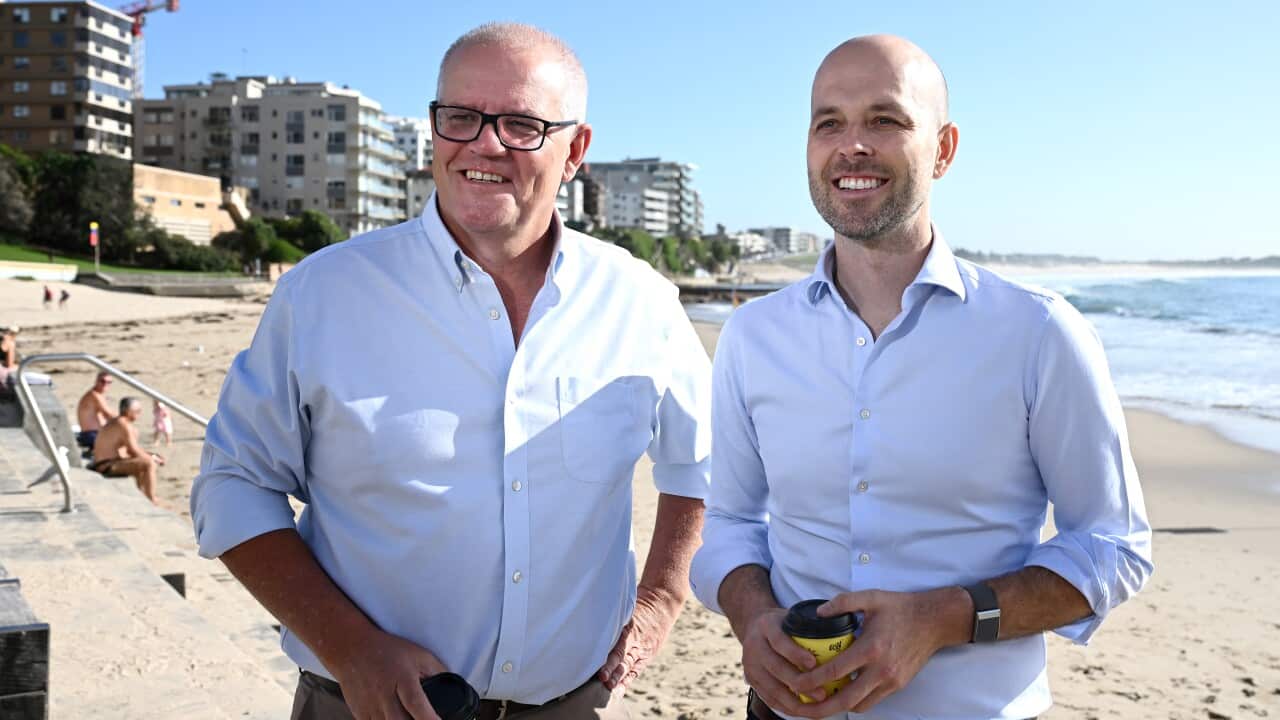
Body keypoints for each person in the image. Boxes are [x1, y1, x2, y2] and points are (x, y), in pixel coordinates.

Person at [192, 22, 711, 720]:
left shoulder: (638, 300)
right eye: (460, 118)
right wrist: (350, 647)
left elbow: (703, 467)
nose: (483, 144)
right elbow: (233, 484)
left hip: (571, 706)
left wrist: (660, 599)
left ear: (576, 151)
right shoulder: (324, 295)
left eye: (521, 124)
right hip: (360, 704)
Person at [689, 35, 1153, 720]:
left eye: (886, 119)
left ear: (943, 149)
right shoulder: (754, 336)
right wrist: (751, 614)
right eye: (829, 123)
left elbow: (1115, 548)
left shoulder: (1039, 333)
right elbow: (730, 520)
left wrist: (943, 618)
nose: (852, 145)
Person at [90, 396, 164, 504]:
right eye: (137, 411)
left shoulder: (119, 422)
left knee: (143, 463)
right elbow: (133, 450)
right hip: (105, 465)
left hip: (108, 463)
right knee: (149, 464)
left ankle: (144, 496)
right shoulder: (123, 424)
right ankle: (151, 499)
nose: (140, 414)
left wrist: (151, 455)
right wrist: (152, 458)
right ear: (128, 411)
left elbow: (131, 451)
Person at [76, 372, 115, 450]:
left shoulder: (98, 395)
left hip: (95, 434)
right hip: (91, 435)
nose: (105, 384)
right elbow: (108, 414)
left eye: (109, 382)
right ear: (96, 381)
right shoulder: (94, 395)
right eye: (103, 381)